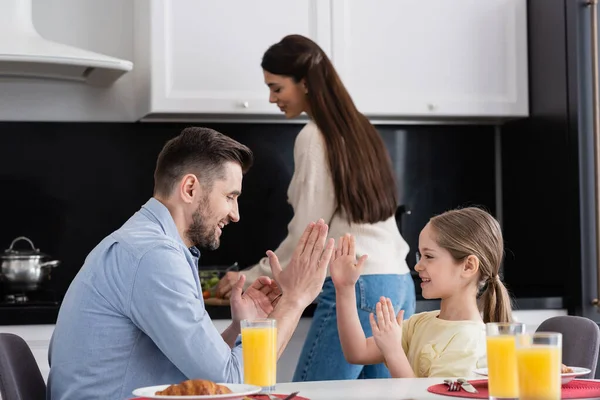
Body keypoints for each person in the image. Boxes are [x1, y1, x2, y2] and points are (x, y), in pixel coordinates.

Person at [46, 127, 335, 400]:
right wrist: (295, 300)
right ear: (190, 188)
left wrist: (242, 327)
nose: (235, 214)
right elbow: (233, 384)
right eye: (230, 196)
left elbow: (205, 372)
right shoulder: (153, 256)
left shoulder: (146, 244)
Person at [215, 34, 416, 382]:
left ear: (304, 83)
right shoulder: (360, 129)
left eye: (277, 88)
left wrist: (246, 277)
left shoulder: (313, 136)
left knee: (312, 393)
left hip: (358, 285)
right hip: (397, 282)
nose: (271, 98)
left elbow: (311, 233)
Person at [332, 207, 512, 378]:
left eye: (429, 256)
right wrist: (345, 289)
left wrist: (393, 350)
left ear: (468, 266)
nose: (418, 266)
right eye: (420, 256)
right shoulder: (419, 324)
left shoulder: (470, 341)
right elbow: (358, 352)